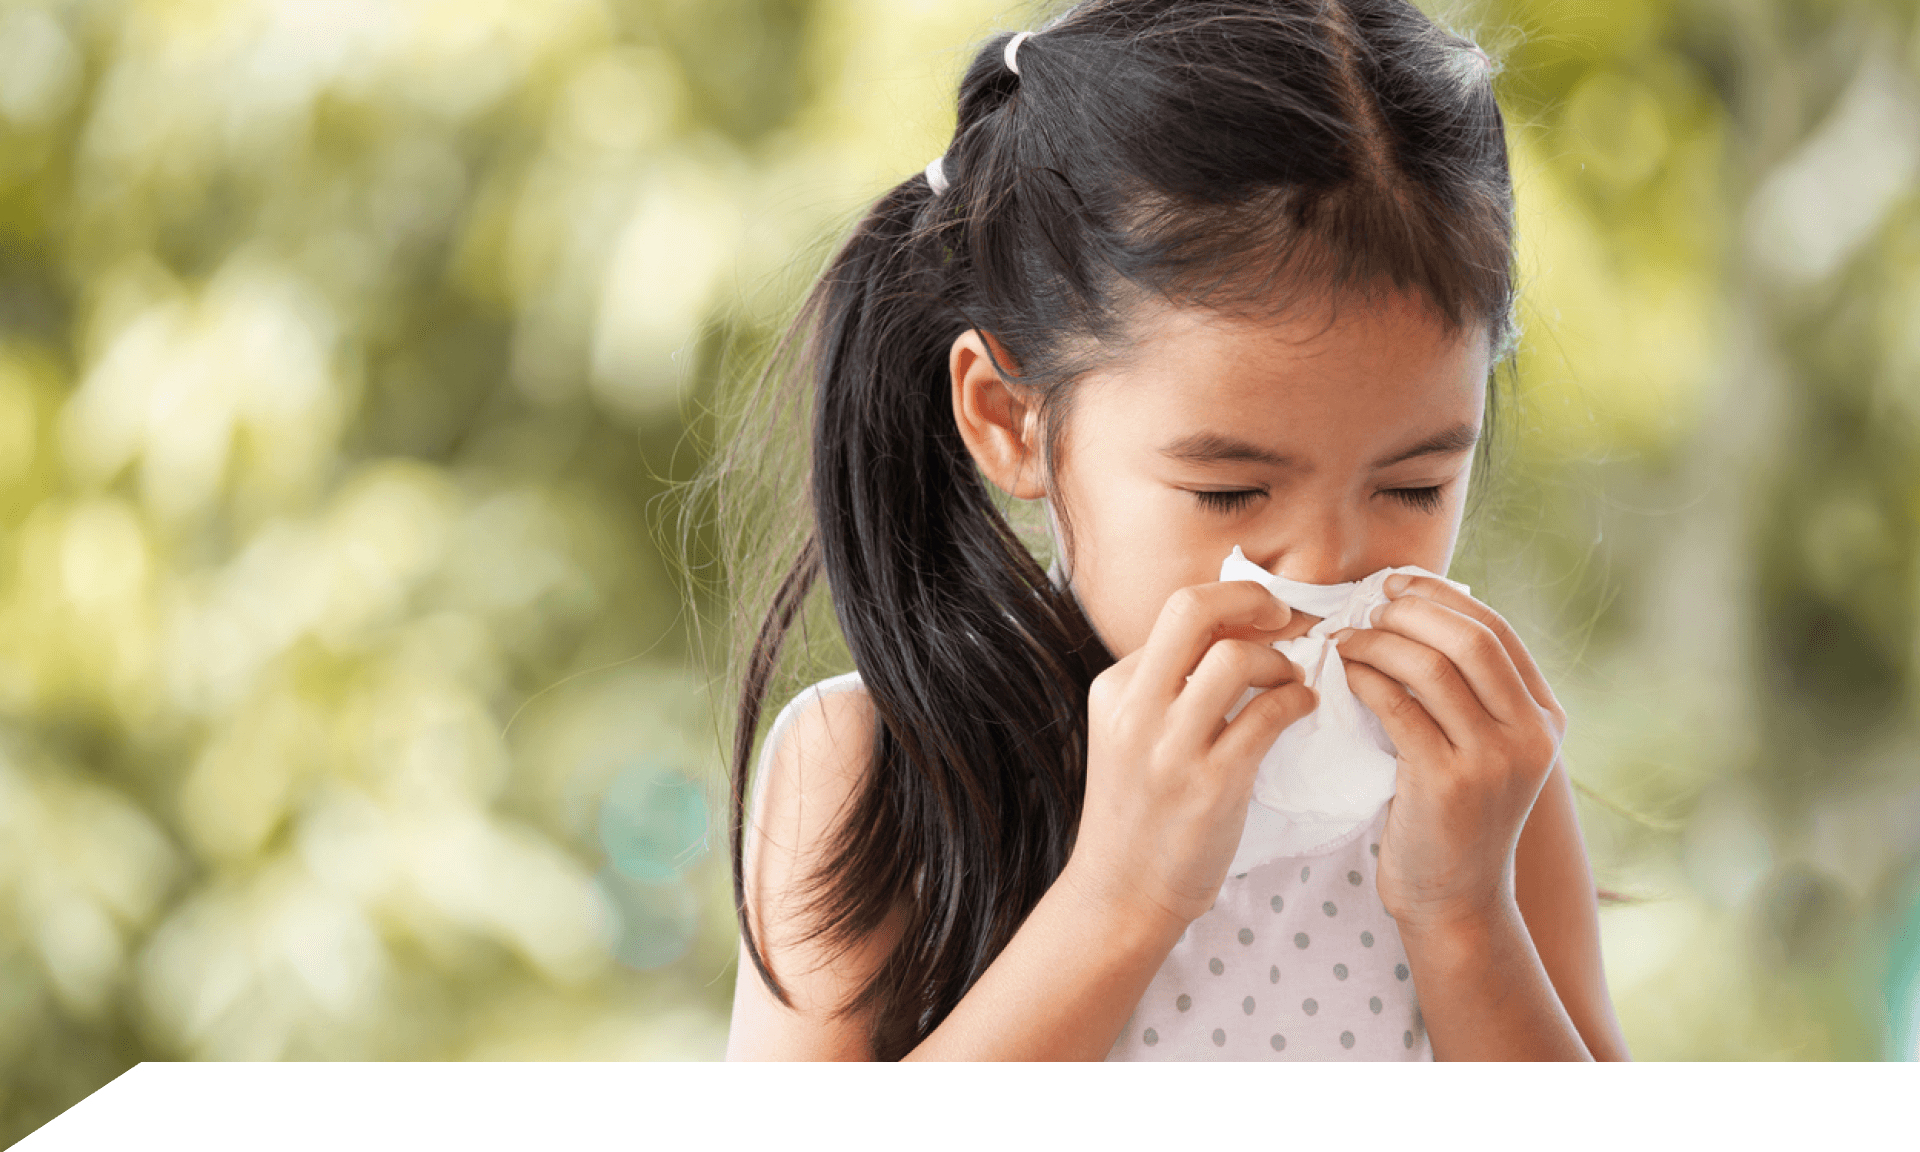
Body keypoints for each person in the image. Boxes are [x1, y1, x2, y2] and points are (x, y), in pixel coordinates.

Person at [711, 0, 1632, 1061]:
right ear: (1009, 419)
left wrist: (1465, 915)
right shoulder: (879, 770)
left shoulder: (1480, 774)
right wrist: (1122, 896)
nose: (1328, 569)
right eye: (1231, 494)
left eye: (1415, 488)